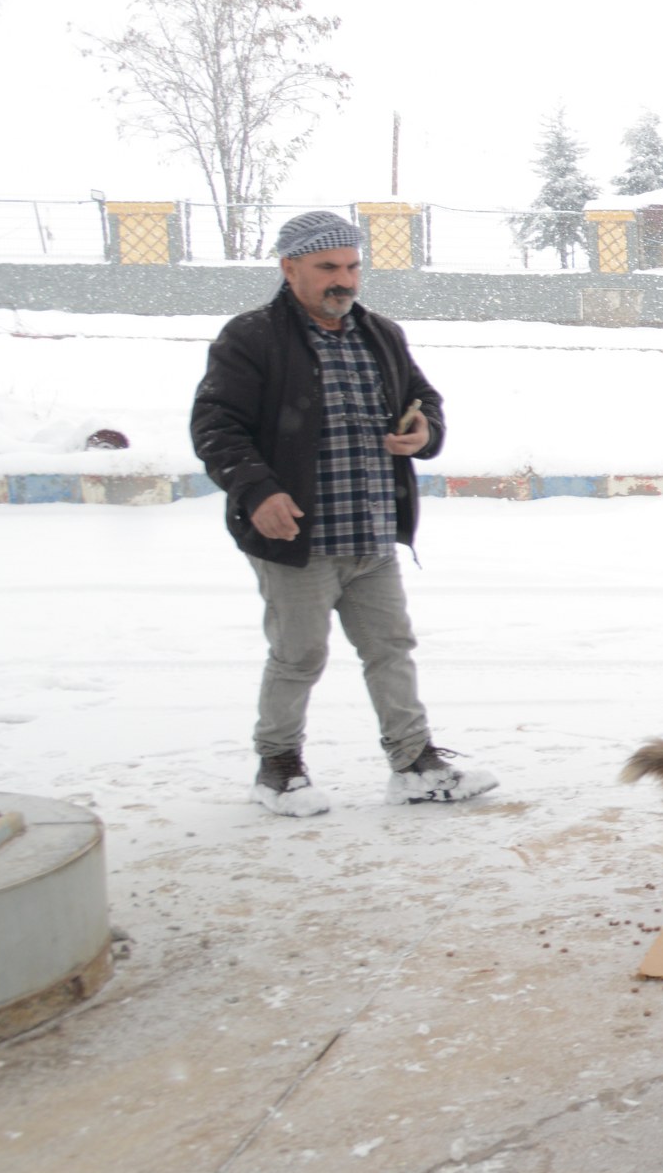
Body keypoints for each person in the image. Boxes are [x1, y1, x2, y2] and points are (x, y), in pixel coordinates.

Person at [189, 210, 497, 816]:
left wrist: (422, 429)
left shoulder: (378, 333)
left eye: (352, 267)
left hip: (371, 530)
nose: (345, 280)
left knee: (391, 649)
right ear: (290, 268)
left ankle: (413, 764)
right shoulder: (251, 338)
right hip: (297, 535)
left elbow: (422, 399)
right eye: (328, 267)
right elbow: (216, 427)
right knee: (299, 656)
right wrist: (259, 493)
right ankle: (278, 767)